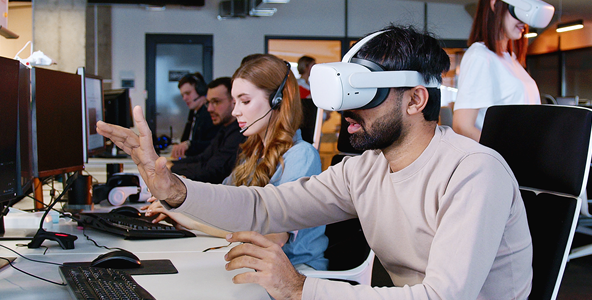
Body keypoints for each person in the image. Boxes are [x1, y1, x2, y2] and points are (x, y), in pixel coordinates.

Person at [97, 25, 533, 300]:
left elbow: (444, 297)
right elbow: (265, 207)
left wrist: (302, 289)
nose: (347, 112)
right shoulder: (366, 168)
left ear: (416, 100)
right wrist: (176, 190)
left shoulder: (473, 171)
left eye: (365, 95)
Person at [156, 55, 328, 271]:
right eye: (235, 102)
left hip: (295, 273)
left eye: (245, 101)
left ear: (277, 101)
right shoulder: (253, 151)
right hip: (258, 266)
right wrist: (181, 202)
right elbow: (222, 202)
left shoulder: (301, 156)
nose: (236, 111)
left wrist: (190, 221)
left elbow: (273, 237)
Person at [452, 0, 542, 142]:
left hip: (525, 156)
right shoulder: (480, 56)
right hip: (505, 160)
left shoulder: (510, 59)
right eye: (517, 11)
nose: (523, 22)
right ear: (495, 4)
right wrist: (506, 154)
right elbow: (462, 126)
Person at [169, 77, 246, 184]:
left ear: (234, 102)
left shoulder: (239, 133)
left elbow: (212, 171)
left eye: (216, 102)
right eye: (209, 103)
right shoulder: (224, 129)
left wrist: (172, 168)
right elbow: (204, 158)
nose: (210, 109)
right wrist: (171, 164)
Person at [171, 72, 221, 157]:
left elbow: (212, 145)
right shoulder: (194, 112)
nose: (184, 98)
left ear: (200, 90)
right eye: (183, 95)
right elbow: (186, 140)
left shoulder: (210, 114)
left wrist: (189, 144)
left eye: (188, 93)